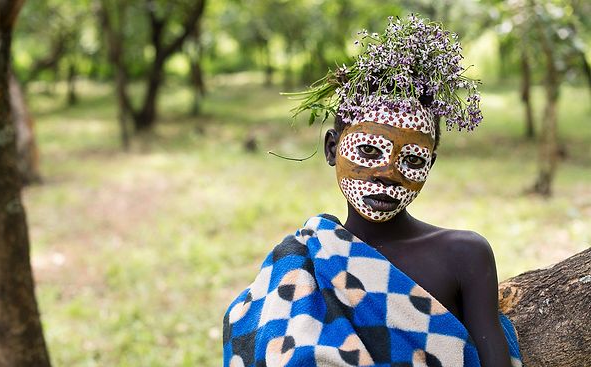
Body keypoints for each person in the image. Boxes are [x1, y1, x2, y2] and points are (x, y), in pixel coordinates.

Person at [223, 15, 522, 367]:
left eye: (411, 159)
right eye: (368, 150)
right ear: (332, 149)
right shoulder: (303, 262)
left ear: (430, 164)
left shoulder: (464, 255)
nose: (387, 173)